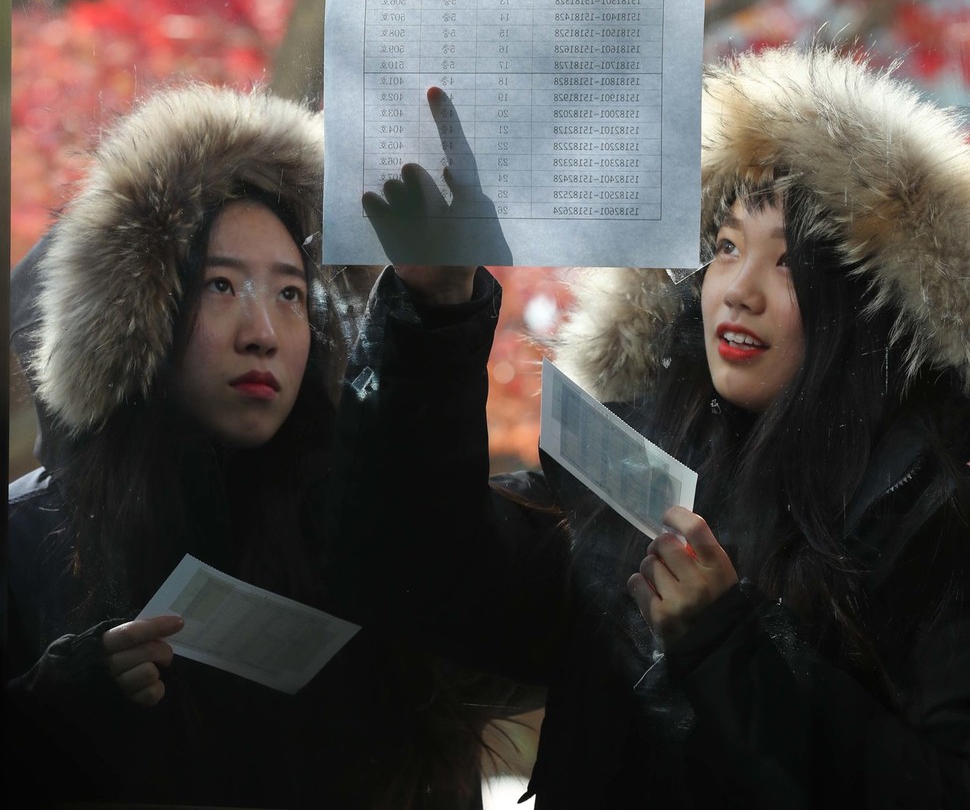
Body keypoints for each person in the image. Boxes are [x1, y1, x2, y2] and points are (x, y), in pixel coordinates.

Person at [327, 44, 970, 807]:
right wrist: (434, 311)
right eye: (726, 245)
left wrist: (727, 640)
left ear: (864, 304)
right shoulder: (631, 465)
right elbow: (427, 575)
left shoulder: (925, 501)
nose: (739, 290)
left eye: (789, 262)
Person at [6, 82, 510, 809]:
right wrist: (49, 717)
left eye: (290, 293)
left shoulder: (349, 530)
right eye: (219, 285)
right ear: (136, 316)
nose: (262, 332)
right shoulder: (25, 542)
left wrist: (438, 317)